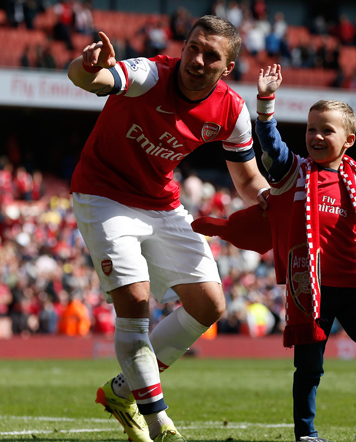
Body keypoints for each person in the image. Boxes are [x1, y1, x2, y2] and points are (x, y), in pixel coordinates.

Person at [194, 64, 356, 442]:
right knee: (309, 366)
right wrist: (266, 103)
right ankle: (306, 434)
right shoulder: (294, 172)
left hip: (355, 287)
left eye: (327, 130)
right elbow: (271, 144)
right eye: (311, 129)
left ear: (349, 140)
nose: (317, 136)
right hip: (312, 290)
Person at [66, 15, 270, 442]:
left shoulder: (232, 110)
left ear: (227, 67)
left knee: (210, 305)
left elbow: (248, 180)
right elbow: (93, 80)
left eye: (210, 55)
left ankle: (122, 391)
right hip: (103, 196)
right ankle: (160, 424)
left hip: (161, 202)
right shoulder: (149, 73)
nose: (196, 59)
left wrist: (275, 204)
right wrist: (87, 66)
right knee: (136, 302)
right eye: (193, 46)